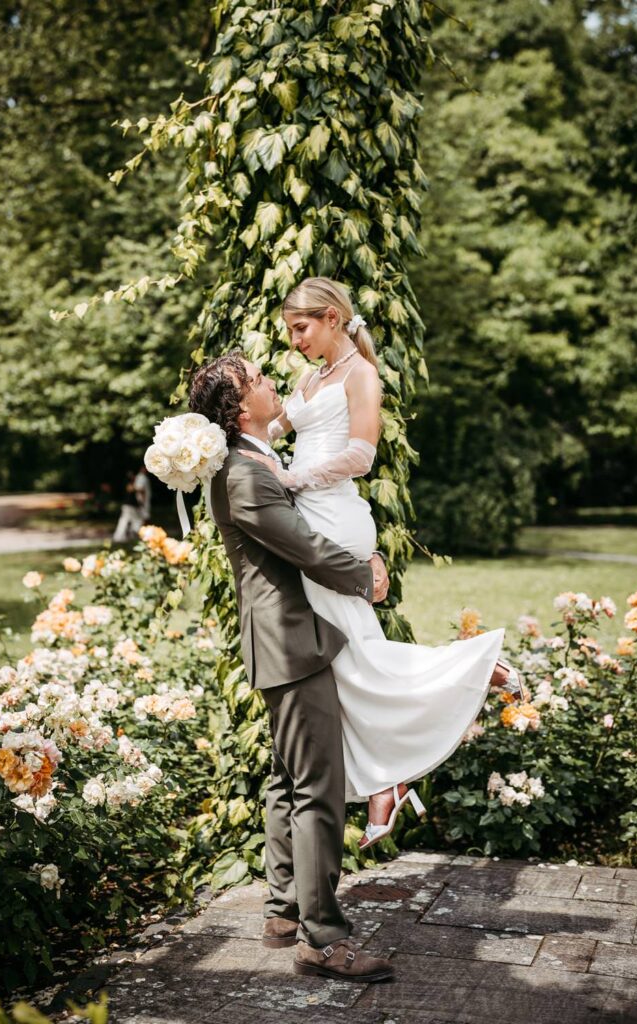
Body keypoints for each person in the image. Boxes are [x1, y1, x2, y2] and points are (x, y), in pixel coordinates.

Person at [235, 277, 524, 851]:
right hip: (310, 513)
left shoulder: (362, 375)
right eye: (290, 331)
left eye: (301, 328)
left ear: (333, 318)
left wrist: (291, 478)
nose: (294, 341)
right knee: (347, 655)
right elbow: (266, 430)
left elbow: (362, 455)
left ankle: (473, 670)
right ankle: (387, 778)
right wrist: (211, 438)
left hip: (332, 513)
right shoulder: (309, 377)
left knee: (349, 653)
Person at [189, 354, 396, 983]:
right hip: (291, 642)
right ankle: (322, 939)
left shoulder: (252, 460)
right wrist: (364, 577)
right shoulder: (243, 474)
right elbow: (303, 548)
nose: (270, 381)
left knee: (288, 779)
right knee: (318, 789)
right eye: (256, 380)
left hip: (286, 641)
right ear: (238, 410)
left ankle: (283, 914)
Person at [112, 466, 151, 543]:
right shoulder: (131, 483)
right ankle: (133, 535)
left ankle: (121, 537)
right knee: (135, 521)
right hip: (130, 506)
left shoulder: (130, 483)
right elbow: (138, 491)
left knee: (126, 521)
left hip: (128, 505)